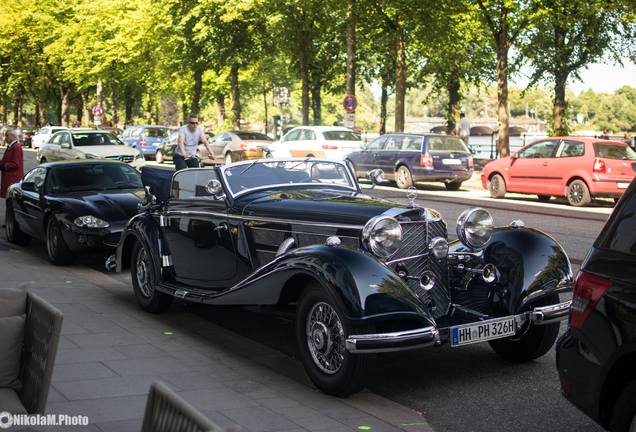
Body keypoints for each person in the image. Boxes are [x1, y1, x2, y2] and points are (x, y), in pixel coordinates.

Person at [0, 130, 24, 199]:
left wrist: (4, 166)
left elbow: (16, 164)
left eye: (7, 135)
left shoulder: (16, 147)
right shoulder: (11, 146)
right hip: (9, 179)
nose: (5, 138)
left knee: (11, 201)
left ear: (12, 136)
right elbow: (6, 160)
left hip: (13, 180)